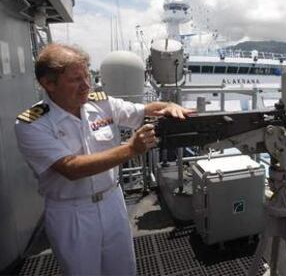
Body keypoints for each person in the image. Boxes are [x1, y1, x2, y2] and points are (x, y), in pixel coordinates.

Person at [14, 43, 193, 275]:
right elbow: (71, 168)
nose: (87, 85)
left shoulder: (100, 103)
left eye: (87, 76)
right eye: (76, 79)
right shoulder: (32, 124)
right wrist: (131, 149)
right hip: (72, 213)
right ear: (48, 84)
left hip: (113, 201)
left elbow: (144, 110)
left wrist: (168, 105)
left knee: (124, 269)